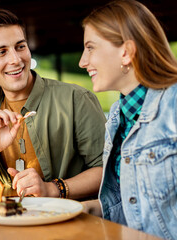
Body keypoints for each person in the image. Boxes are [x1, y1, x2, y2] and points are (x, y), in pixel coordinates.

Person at [0, 8, 106, 199]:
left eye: (20, 47)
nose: (15, 59)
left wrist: (53, 189)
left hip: (68, 221)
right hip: (11, 218)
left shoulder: (76, 98)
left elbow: (106, 170)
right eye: (2, 52)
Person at [79, 1, 177, 239]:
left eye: (90, 48)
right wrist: (83, 209)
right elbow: (134, 204)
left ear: (126, 52)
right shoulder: (116, 116)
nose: (82, 61)